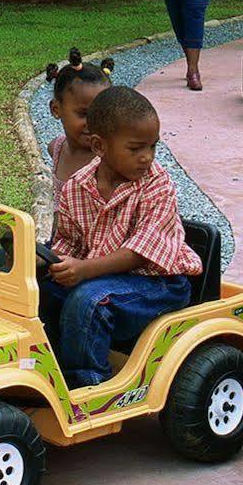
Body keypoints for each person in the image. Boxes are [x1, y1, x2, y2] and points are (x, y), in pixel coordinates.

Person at [46, 86, 202, 386]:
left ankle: (89, 387)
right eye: (135, 148)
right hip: (101, 277)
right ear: (100, 146)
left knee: (90, 301)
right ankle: (46, 367)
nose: (147, 157)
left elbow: (139, 253)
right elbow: (68, 242)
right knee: (39, 287)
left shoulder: (157, 185)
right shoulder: (76, 186)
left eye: (152, 146)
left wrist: (82, 270)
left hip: (159, 283)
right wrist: (54, 264)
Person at [42, 49, 115, 188]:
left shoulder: (108, 161)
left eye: (102, 113)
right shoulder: (56, 149)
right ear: (56, 109)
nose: (94, 123)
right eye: (83, 114)